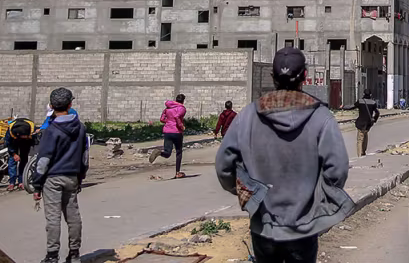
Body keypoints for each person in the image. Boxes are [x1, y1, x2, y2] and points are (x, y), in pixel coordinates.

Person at [216, 46, 352, 263]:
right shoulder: (322, 117)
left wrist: (248, 193)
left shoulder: (248, 115)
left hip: (264, 226)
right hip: (304, 229)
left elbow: (224, 166)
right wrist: (316, 199)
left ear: (272, 76)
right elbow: (337, 170)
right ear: (305, 77)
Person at [31, 87, 89, 263]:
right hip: (72, 177)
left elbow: (43, 161)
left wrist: (37, 185)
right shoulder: (80, 128)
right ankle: (74, 254)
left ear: (51, 106)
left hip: (52, 179)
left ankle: (52, 255)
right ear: (70, 104)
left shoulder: (51, 130)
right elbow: (85, 157)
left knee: (53, 218)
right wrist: (80, 177)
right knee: (73, 216)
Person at [149, 93, 188, 179]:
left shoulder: (167, 108)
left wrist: (169, 122)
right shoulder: (182, 108)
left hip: (167, 131)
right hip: (177, 132)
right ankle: (177, 172)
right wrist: (181, 126)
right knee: (179, 152)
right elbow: (177, 116)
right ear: (183, 101)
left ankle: (159, 152)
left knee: (167, 152)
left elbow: (162, 119)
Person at [5, 115, 35, 192]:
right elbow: (8, 143)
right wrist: (14, 154)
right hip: (14, 142)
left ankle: (21, 181)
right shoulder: (11, 132)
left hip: (26, 143)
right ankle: (12, 182)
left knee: (24, 161)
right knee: (12, 161)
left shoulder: (31, 130)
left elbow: (35, 142)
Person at [354, 90, 380, 156]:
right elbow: (377, 112)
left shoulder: (360, 101)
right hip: (368, 123)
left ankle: (360, 155)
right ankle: (363, 152)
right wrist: (374, 119)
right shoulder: (373, 102)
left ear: (363, 94)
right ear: (370, 95)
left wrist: (343, 107)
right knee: (365, 136)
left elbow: (353, 106)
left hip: (360, 123)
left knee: (360, 139)